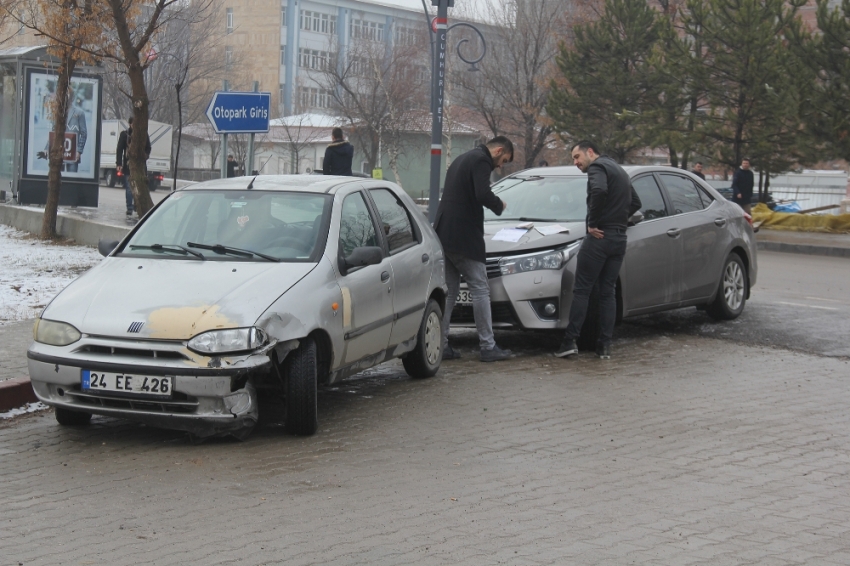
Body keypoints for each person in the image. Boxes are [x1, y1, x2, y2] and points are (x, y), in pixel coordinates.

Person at [555, 140, 642, 360]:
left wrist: (593, 223)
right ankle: (604, 346)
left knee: (582, 290)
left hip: (599, 238)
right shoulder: (619, 169)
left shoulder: (597, 167)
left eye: (577, 157)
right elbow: (636, 202)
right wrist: (618, 218)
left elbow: (599, 189)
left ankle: (569, 342)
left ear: (590, 152)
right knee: (608, 292)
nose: (576, 162)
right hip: (619, 238)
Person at [435, 136, 515, 363]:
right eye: (503, 160)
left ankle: (442, 344)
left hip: (444, 233)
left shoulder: (462, 158)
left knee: (449, 292)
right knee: (480, 288)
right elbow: (482, 193)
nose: (500, 166)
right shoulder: (481, 160)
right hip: (464, 237)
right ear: (498, 150)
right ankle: (488, 346)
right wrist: (499, 204)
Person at [36, 90, 87, 173]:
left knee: (71, 179)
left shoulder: (79, 113)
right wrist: (47, 149)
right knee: (57, 178)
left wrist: (79, 151)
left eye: (68, 96)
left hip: (72, 152)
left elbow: (84, 134)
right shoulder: (58, 112)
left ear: (72, 98)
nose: (66, 98)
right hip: (58, 151)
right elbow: (54, 133)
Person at [116, 117, 151, 217]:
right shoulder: (125, 135)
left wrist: (145, 156)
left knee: (140, 187)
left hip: (141, 166)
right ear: (130, 124)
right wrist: (119, 164)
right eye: (133, 124)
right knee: (129, 187)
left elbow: (148, 147)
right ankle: (129, 208)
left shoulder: (143, 135)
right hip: (128, 165)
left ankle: (137, 206)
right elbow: (119, 150)